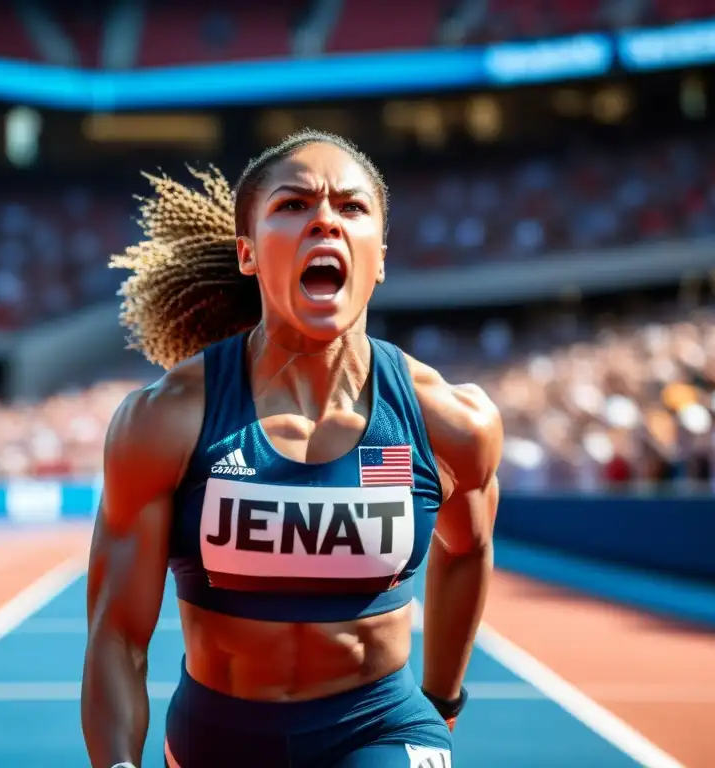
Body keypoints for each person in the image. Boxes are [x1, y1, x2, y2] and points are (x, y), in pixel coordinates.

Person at [81, 129, 502, 768]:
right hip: (216, 736)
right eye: (293, 205)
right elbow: (116, 632)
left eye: (351, 207)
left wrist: (442, 701)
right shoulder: (164, 420)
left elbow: (467, 548)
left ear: (380, 257)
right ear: (248, 253)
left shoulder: (452, 422)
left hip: (378, 729)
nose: (325, 220)